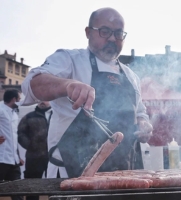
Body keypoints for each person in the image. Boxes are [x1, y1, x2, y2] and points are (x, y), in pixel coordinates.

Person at [21, 7, 153, 178]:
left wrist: (143, 124)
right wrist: (67, 85)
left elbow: (140, 112)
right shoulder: (69, 60)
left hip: (124, 175)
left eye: (119, 33)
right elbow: (32, 84)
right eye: (105, 31)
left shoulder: (131, 76)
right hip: (73, 174)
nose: (113, 38)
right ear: (88, 32)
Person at [17, 101, 52, 200]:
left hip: (53, 158)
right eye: (40, 99)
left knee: (54, 183)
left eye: (45, 99)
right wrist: (30, 145)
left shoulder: (56, 116)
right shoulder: (29, 117)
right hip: (34, 157)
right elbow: (20, 133)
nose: (42, 102)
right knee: (32, 186)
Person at [0, 89, 24, 200]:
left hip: (13, 160)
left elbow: (13, 138)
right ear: (14, 99)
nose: (20, 101)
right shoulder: (0, 110)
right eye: (19, 99)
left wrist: (18, 156)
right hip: (1, 159)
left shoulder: (14, 113)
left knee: (17, 190)